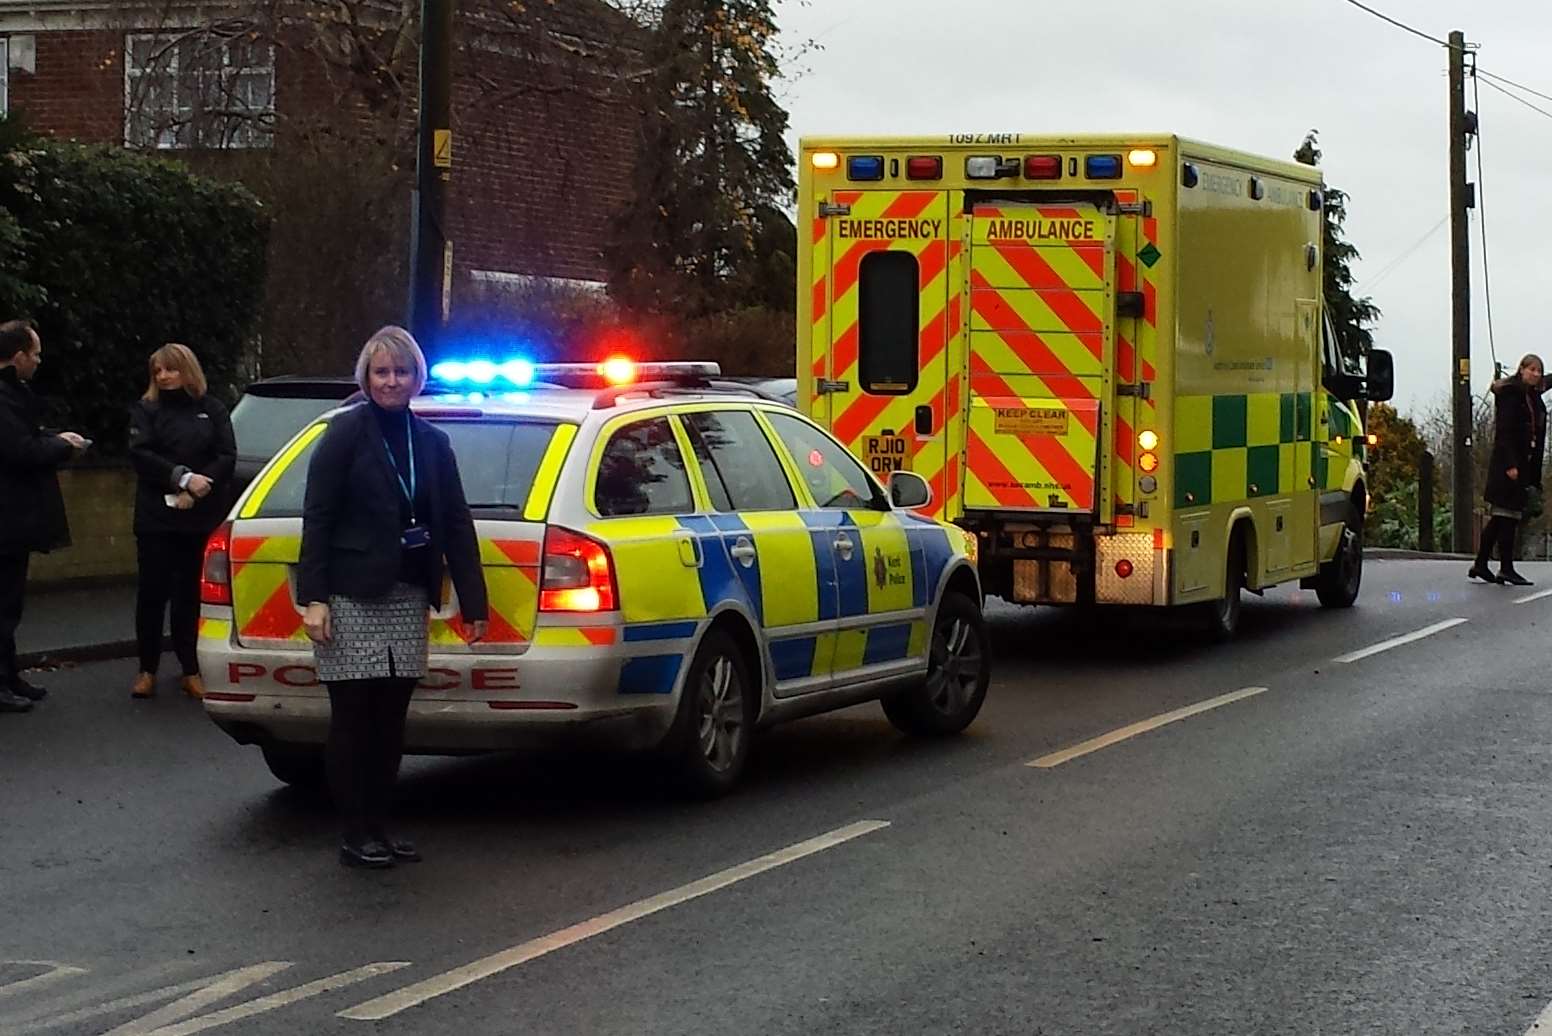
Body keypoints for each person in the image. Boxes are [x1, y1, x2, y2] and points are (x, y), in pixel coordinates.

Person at [298, 325, 488, 869]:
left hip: (406, 594)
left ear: (416, 378)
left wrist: (474, 604)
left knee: (390, 721)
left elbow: (455, 522)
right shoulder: (343, 434)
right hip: (350, 593)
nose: (391, 381)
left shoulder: (432, 442)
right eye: (381, 371)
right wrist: (315, 598)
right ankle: (354, 831)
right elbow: (319, 516)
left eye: (401, 371)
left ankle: (381, 824)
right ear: (366, 376)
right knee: (353, 718)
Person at [127, 344, 236, 700]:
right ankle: (147, 670)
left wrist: (202, 485)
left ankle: (191, 669)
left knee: (190, 595)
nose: (163, 377)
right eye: (157, 371)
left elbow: (226, 455)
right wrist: (182, 479)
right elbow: (141, 454)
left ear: (187, 370)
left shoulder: (212, 408)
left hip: (200, 516)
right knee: (152, 594)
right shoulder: (147, 410)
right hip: (156, 518)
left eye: (170, 369)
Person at [0, 320, 87, 713]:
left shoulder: (12, 394)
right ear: (17, 356)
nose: (37, 361)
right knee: (2, 605)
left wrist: (53, 439)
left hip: (13, 518)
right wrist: (60, 445)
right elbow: (20, 450)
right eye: (34, 353)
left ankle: (9, 675)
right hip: (6, 518)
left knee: (10, 603)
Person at [1471, 353, 1547, 587]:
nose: (1535, 374)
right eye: (1531, 369)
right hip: (1508, 465)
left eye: (1538, 371)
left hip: (1523, 464)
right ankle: (1506, 568)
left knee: (1501, 517)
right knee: (1508, 517)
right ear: (1521, 369)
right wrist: (1511, 465)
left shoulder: (1530, 394)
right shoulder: (1511, 395)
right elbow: (1504, 433)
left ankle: (1481, 564)